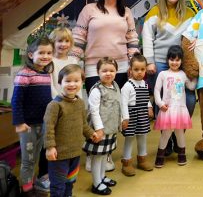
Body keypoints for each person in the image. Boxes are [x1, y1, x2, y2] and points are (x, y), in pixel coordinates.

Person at [72, 0, 138, 172]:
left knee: (113, 111)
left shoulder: (125, 11)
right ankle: (93, 153)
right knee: (95, 111)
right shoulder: (89, 9)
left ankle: (106, 152)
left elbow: (132, 39)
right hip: (93, 66)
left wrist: (133, 64)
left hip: (121, 66)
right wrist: (75, 64)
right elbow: (78, 37)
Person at [142, 0, 196, 156]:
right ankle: (166, 141)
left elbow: (197, 33)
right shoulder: (155, 13)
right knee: (163, 101)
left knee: (188, 99)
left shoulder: (189, 14)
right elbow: (148, 37)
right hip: (158, 62)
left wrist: (196, 40)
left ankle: (176, 135)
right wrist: (149, 61)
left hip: (182, 62)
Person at [44, 64, 99, 196]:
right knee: (58, 186)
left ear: (82, 82)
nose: (72, 84)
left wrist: (91, 133)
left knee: (70, 182)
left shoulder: (80, 103)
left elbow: (83, 124)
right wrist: (50, 147)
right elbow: (48, 128)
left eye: (76, 81)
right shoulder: (55, 105)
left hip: (75, 152)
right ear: (60, 82)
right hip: (59, 155)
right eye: (67, 81)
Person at [11, 37, 53, 195]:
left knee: (35, 157)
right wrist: (19, 122)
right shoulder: (24, 74)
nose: (46, 56)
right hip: (27, 125)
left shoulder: (46, 74)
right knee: (27, 160)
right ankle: (26, 190)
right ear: (30, 55)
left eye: (49, 53)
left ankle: (31, 183)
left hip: (42, 123)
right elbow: (16, 100)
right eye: (41, 52)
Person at [82, 57, 121, 195]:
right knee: (97, 156)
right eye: (104, 71)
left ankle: (102, 176)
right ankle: (96, 182)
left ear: (116, 72)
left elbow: (118, 104)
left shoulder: (115, 86)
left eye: (112, 70)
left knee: (105, 154)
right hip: (100, 130)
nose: (108, 73)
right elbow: (94, 111)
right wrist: (99, 129)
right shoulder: (96, 90)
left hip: (111, 128)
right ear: (98, 72)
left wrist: (121, 119)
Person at [153, 45, 196, 168]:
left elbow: (191, 87)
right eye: (172, 59)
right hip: (167, 109)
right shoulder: (162, 74)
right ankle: (160, 155)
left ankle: (182, 154)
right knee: (165, 134)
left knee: (180, 133)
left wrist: (197, 77)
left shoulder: (183, 74)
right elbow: (156, 90)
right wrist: (160, 103)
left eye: (177, 60)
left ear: (181, 61)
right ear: (168, 60)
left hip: (180, 109)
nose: (174, 62)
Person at [120, 53, 154, 176]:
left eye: (142, 69)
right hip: (131, 115)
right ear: (130, 70)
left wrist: (149, 107)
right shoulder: (127, 86)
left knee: (142, 137)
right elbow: (123, 104)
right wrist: (125, 118)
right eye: (136, 69)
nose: (139, 72)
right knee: (129, 138)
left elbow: (146, 98)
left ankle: (142, 159)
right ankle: (127, 162)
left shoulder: (145, 84)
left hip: (142, 115)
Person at [49, 27, 81, 99]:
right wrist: (58, 100)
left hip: (72, 101)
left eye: (67, 41)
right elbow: (50, 85)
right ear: (53, 42)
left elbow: (78, 82)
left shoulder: (73, 61)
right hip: (56, 102)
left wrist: (78, 99)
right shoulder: (50, 61)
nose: (63, 44)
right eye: (60, 41)